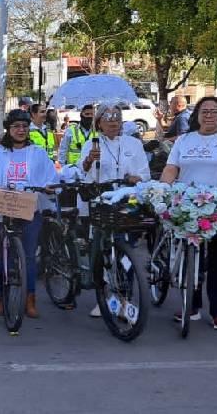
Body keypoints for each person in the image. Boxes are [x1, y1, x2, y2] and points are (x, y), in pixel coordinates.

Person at [160, 97, 217, 330]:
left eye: (214, 111)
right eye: (204, 111)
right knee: (190, 260)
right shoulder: (184, 140)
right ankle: (191, 305)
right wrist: (163, 188)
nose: (209, 115)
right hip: (187, 205)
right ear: (197, 115)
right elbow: (171, 169)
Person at [0, 109, 57, 319]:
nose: (21, 130)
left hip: (30, 208)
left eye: (24, 126)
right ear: (8, 130)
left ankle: (30, 298)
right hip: (4, 209)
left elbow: (50, 175)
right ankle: (3, 298)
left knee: (29, 255)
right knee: (5, 254)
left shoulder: (37, 152)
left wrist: (49, 186)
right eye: (16, 127)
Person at [79, 102, 152, 317]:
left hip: (127, 203)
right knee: (102, 252)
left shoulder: (133, 144)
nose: (113, 122)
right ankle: (105, 297)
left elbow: (144, 175)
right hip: (102, 204)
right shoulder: (93, 143)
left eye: (117, 118)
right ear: (99, 122)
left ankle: (124, 297)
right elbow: (84, 175)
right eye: (108, 118)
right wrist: (88, 161)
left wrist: (135, 178)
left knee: (125, 255)